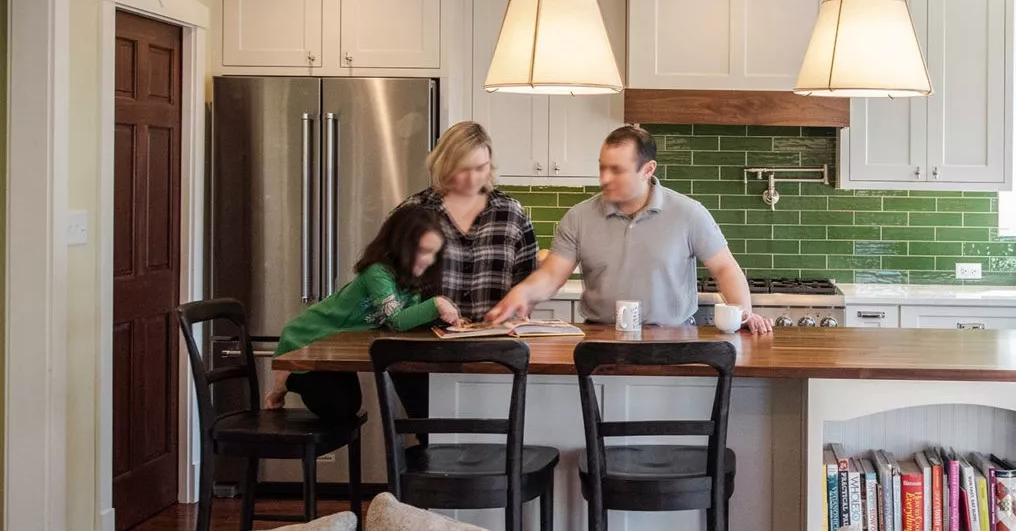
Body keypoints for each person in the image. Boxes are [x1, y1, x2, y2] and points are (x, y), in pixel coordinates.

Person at [486, 126, 773, 334]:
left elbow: (724, 268)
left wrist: (742, 313)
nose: (604, 179)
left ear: (648, 170)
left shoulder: (688, 213)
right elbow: (552, 274)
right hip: (600, 339)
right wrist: (524, 293)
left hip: (674, 340)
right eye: (602, 168)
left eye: (617, 170)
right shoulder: (579, 217)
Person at [266, 206, 461, 418]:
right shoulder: (377, 273)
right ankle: (285, 380)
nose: (430, 260)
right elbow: (397, 321)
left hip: (340, 343)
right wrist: (437, 304)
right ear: (400, 246)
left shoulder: (408, 280)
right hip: (310, 338)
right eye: (424, 251)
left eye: (434, 253)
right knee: (339, 408)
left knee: (348, 406)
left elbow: (407, 317)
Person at [400, 121, 539, 323]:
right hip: (425, 345)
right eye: (463, 169)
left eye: (480, 168)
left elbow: (528, 281)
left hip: (496, 345)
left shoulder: (512, 215)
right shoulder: (412, 213)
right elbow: (386, 286)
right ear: (444, 165)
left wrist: (520, 308)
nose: (473, 179)